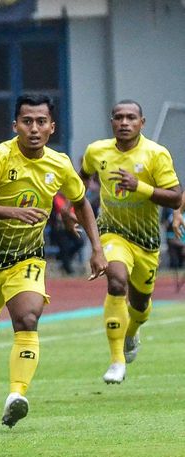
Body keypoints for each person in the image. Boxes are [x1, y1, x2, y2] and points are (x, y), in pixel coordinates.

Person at [0, 94, 107, 428]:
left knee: (27, 318)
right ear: (16, 126)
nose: (34, 128)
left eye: (41, 122)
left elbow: (81, 202)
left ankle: (16, 395)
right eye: (27, 121)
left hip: (26, 257)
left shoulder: (60, 164)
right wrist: (15, 212)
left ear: (52, 127)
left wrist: (97, 250)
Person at [80, 100, 183, 384]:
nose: (124, 123)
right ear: (112, 121)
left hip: (147, 241)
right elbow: (83, 178)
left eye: (131, 118)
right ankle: (116, 361)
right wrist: (71, 207)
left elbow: (175, 197)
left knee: (140, 306)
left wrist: (140, 187)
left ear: (142, 123)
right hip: (113, 232)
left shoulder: (156, 154)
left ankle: (132, 330)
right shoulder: (96, 151)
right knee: (115, 281)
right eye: (119, 117)